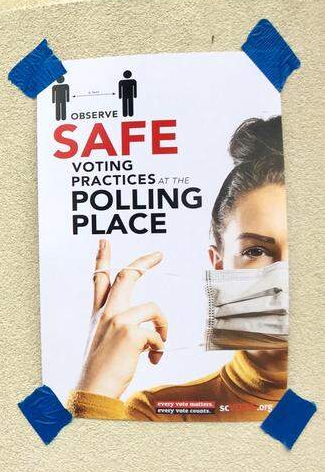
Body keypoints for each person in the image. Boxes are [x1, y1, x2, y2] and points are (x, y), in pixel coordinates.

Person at [69, 116, 287, 421]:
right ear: (219, 267)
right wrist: (95, 392)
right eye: (255, 251)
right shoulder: (158, 414)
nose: (286, 273)